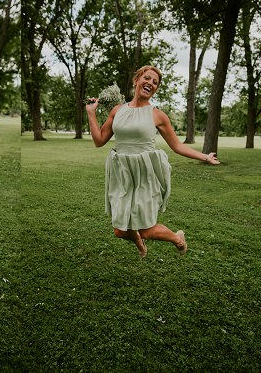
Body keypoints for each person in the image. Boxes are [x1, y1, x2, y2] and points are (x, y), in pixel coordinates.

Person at [86, 65, 219, 257]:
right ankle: (139, 241)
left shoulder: (157, 115)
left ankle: (177, 238)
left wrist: (204, 157)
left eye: (155, 82)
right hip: (121, 172)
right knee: (119, 230)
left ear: (155, 89)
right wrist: (91, 113)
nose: (150, 83)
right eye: (147, 78)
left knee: (147, 228)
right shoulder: (117, 110)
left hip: (144, 174)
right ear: (137, 80)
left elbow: (177, 146)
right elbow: (99, 140)